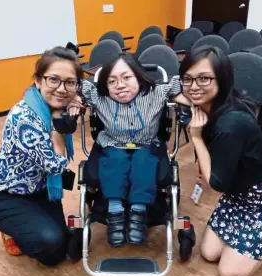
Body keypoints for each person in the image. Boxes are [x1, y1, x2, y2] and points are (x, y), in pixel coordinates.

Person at [69, 52, 190, 247]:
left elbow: (179, 84)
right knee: (115, 160)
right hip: (113, 143)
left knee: (144, 161)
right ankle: (115, 211)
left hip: (146, 144)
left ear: (139, 77)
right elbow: (77, 86)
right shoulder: (100, 98)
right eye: (112, 81)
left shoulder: (155, 93)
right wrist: (74, 98)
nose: (120, 85)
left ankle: (138, 212)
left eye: (127, 77)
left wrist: (186, 100)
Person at [179, 45, 262, 276]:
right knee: (209, 254)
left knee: (228, 273)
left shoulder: (231, 124)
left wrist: (197, 138)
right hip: (236, 195)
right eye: (187, 79)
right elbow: (175, 91)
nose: (193, 86)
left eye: (204, 78)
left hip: (261, 200)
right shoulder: (211, 105)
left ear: (222, 79)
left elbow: (216, 185)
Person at [0, 46, 81, 266]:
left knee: (62, 241)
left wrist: (71, 103)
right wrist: (58, 130)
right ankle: (10, 230)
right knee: (51, 250)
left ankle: (30, 225)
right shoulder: (25, 118)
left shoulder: (50, 103)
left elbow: (77, 93)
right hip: (6, 196)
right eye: (53, 80)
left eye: (70, 82)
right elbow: (57, 166)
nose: (62, 89)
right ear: (38, 81)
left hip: (39, 189)